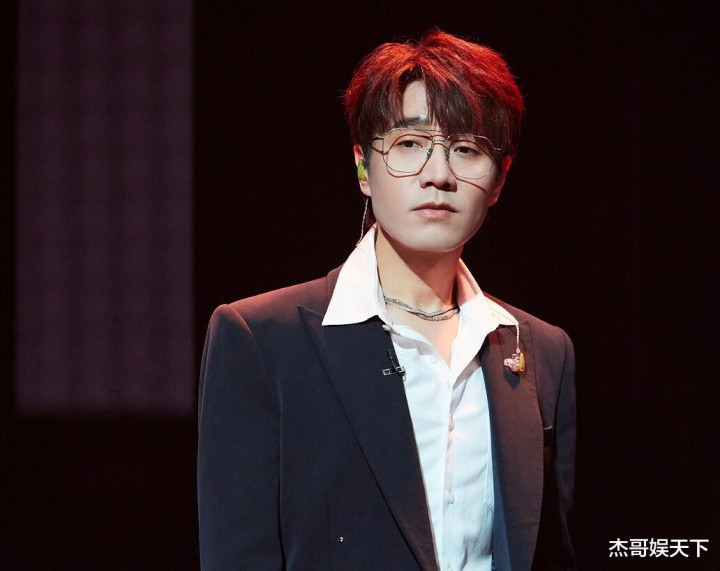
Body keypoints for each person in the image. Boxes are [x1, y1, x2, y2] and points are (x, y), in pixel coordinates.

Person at [197, 30, 576, 571]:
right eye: (409, 145)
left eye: (467, 149)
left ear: (499, 180)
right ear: (363, 167)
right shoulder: (262, 339)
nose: (438, 175)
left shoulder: (540, 350)